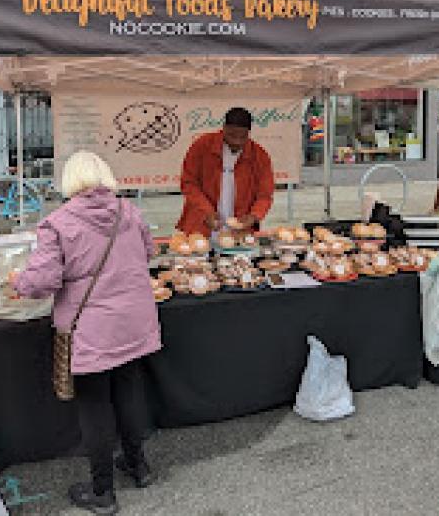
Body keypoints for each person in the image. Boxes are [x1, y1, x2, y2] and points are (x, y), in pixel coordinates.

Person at [17, 151, 161, 514]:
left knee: (96, 406)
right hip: (134, 322)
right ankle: (138, 466)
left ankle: (103, 492)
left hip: (93, 329)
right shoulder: (129, 211)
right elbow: (148, 253)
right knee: (128, 392)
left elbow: (43, 281)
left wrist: (16, 279)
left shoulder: (57, 223)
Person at [178, 107, 275, 236]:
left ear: (248, 133)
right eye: (232, 135)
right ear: (224, 128)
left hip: (240, 230)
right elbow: (189, 183)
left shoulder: (259, 156)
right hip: (200, 225)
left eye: (242, 137)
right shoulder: (202, 146)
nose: (237, 142)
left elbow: (265, 194)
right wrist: (206, 211)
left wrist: (254, 216)